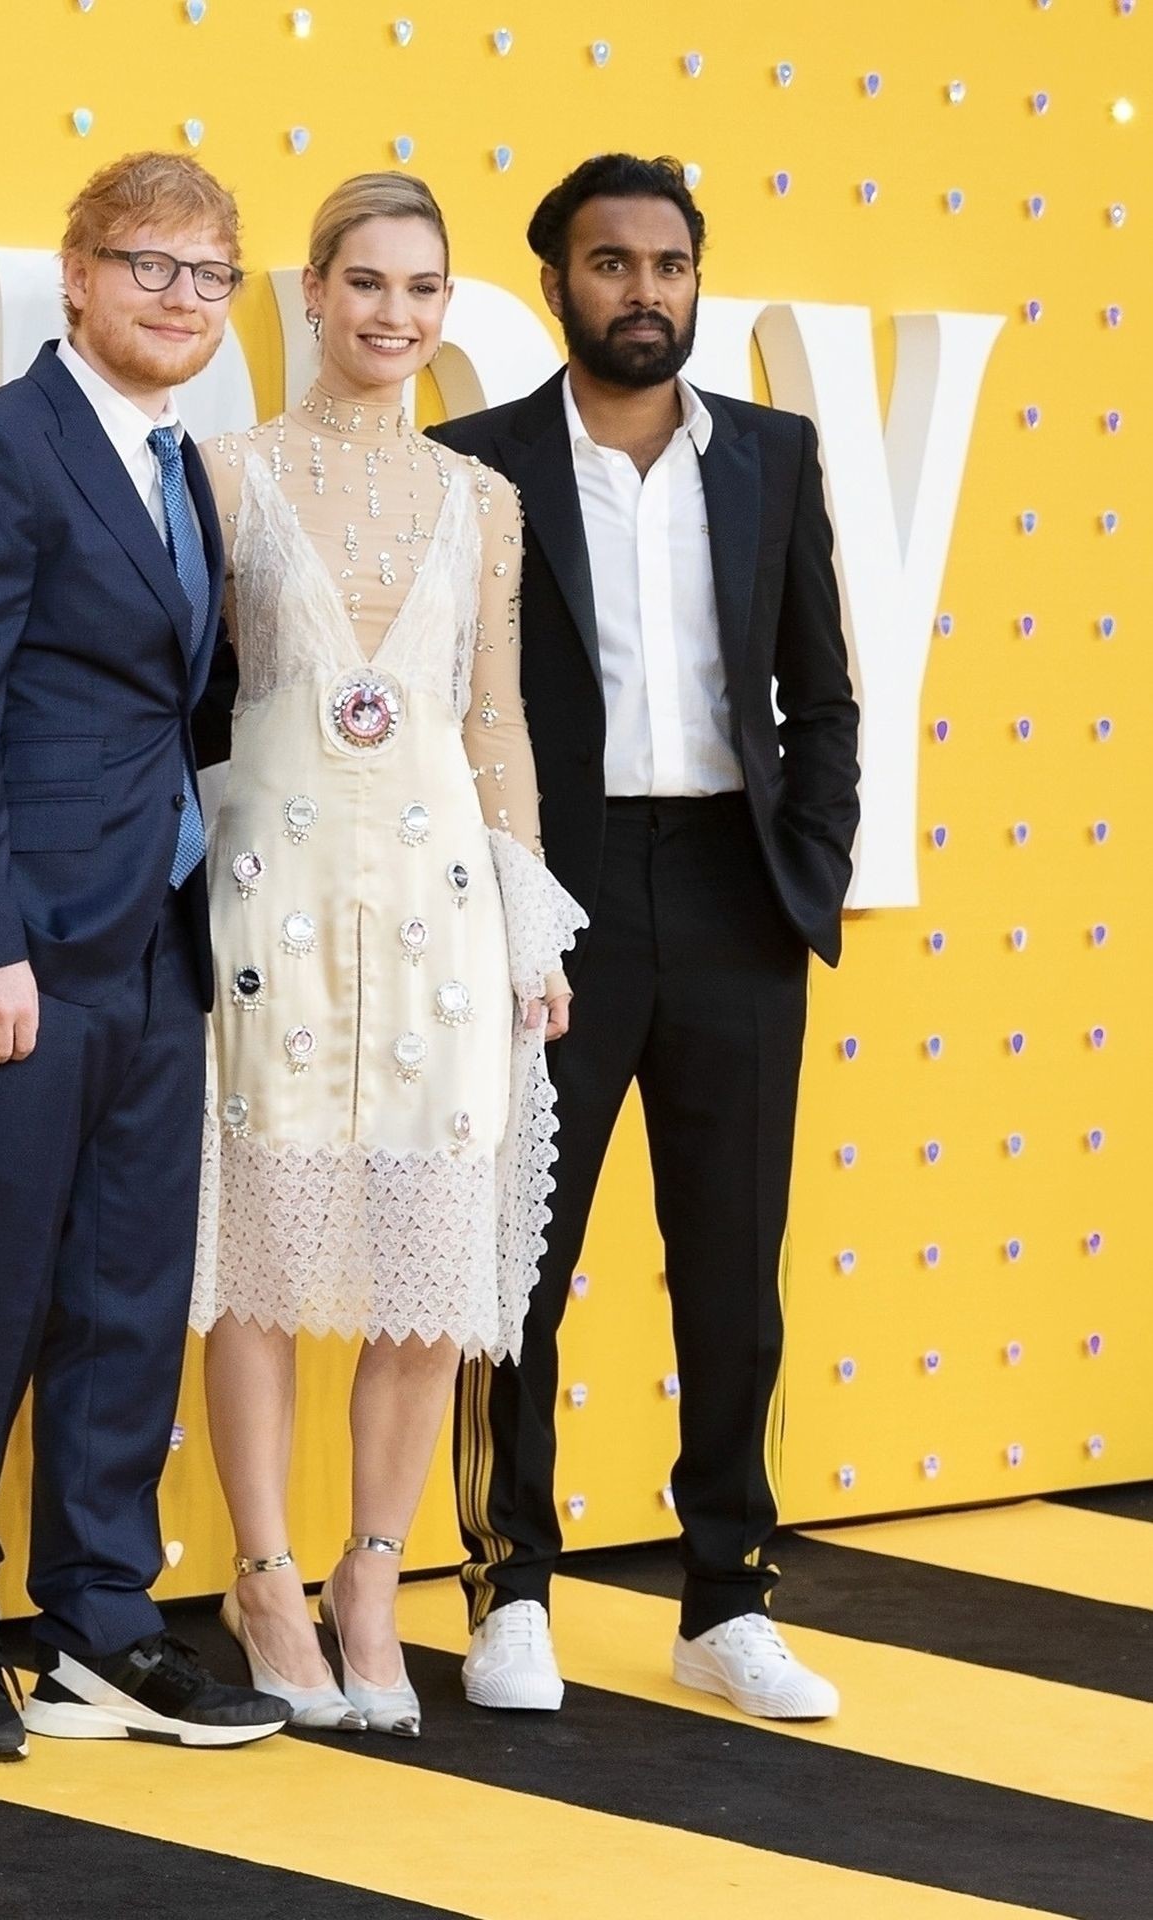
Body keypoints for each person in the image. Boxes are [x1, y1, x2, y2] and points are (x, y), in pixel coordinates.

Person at [430, 154, 861, 1721]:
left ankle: (728, 1599)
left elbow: (821, 691)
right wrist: (491, 896)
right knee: (518, 1265)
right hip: (557, 892)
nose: (644, 290)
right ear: (557, 282)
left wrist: (806, 864)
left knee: (734, 1270)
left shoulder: (769, 453)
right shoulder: (476, 464)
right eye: (612, 263)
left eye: (668, 264)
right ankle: (510, 1588)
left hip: (737, 893)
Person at [0, 151, 287, 1760]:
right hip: (16, 961)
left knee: (128, 1300)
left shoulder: (184, 469)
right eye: (148, 266)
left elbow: (175, 711)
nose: (181, 299)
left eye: (210, 275)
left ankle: (102, 1627)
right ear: (75, 273)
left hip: (156, 949)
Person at [192, 174, 585, 1739]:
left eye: (423, 289)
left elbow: (495, 719)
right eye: (366, 283)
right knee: (256, 1256)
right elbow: (187, 694)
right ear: (311, 292)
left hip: (440, 907)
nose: (394, 315)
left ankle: (374, 1576)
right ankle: (265, 1579)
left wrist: (529, 916)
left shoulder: (481, 500)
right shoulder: (227, 474)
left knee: (429, 1264)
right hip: (269, 900)